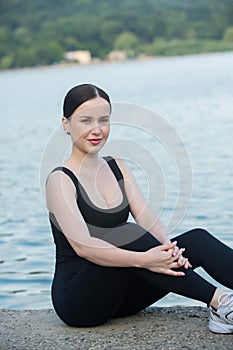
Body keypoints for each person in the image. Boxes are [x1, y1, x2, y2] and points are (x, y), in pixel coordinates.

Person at [46, 83, 233, 333]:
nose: (97, 129)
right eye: (85, 121)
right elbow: (84, 247)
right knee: (126, 233)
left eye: (104, 120)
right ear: (66, 124)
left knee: (196, 240)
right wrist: (144, 259)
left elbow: (146, 218)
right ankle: (222, 302)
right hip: (79, 301)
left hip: (123, 295)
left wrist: (169, 252)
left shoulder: (117, 166)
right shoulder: (60, 180)